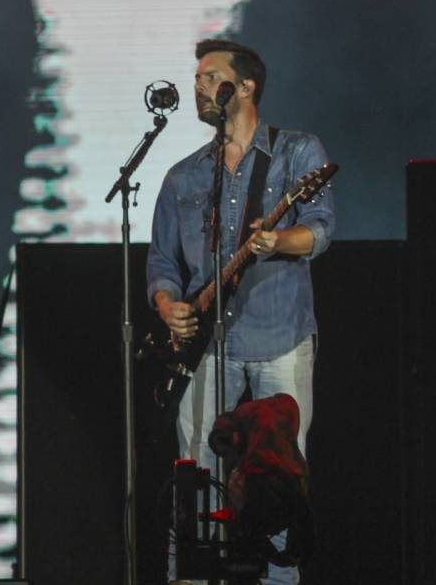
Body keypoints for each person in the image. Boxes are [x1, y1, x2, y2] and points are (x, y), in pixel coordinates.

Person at [147, 39, 335, 585]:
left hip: (281, 335)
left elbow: (320, 230)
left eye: (210, 76)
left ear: (245, 86)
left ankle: (280, 578)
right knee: (195, 470)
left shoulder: (297, 152)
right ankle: (193, 577)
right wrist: (167, 305)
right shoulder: (184, 176)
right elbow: (162, 260)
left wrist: (278, 240)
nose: (199, 86)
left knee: (280, 471)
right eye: (198, 77)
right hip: (206, 343)